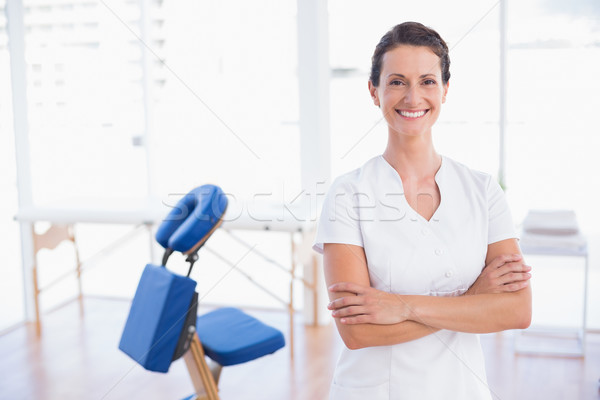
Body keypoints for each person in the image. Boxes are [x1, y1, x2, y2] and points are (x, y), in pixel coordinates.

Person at [312, 22, 532, 400]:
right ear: (374, 91)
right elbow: (357, 332)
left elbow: (516, 311)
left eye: (427, 81)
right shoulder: (348, 194)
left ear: (445, 90)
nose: (413, 97)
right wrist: (473, 300)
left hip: (463, 389)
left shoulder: (482, 190)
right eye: (396, 81)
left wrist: (398, 307)